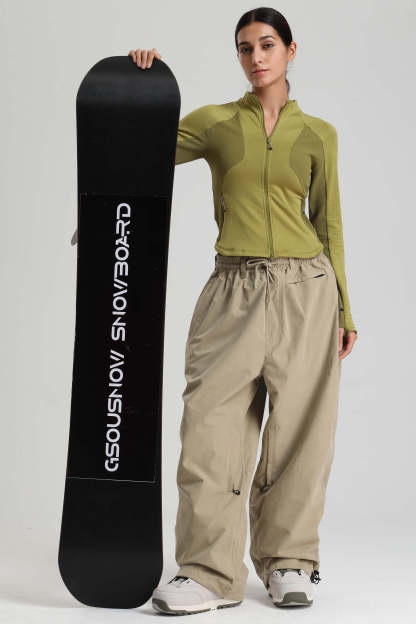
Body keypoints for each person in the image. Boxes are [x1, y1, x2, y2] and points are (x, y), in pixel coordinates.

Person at [129, 6, 358, 615]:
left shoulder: (319, 134)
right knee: (210, 429)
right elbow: (143, 149)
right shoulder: (217, 124)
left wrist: (345, 309)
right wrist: (142, 86)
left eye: (267, 44)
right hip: (233, 288)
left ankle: (289, 562)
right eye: (245, 47)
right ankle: (207, 572)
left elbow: (328, 224)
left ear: (290, 50)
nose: (256, 57)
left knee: (302, 434)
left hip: (308, 290)